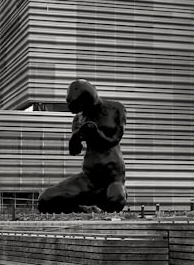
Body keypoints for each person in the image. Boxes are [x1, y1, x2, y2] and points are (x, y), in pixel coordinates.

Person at [37, 80, 127, 213]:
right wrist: (77, 136)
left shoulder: (115, 109)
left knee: (115, 199)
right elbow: (74, 151)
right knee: (45, 199)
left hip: (112, 178)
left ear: (86, 99)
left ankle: (99, 207)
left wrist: (95, 133)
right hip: (89, 179)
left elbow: (114, 139)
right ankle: (85, 210)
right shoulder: (79, 119)